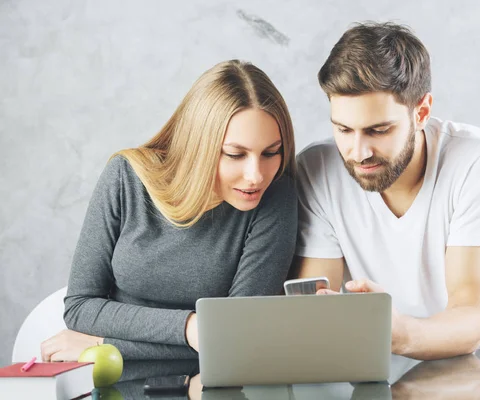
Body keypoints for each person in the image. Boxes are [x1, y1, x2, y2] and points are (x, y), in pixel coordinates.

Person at [292, 22, 480, 360]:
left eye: (379, 130)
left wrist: (397, 333)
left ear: (421, 112)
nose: (358, 152)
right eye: (343, 129)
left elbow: (471, 318)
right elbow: (315, 308)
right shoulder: (317, 171)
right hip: (377, 376)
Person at [41, 60, 298, 361]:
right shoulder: (126, 176)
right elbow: (80, 306)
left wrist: (104, 346)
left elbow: (234, 337)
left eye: (271, 152)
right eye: (234, 154)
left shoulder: (276, 197)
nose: (256, 175)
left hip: (202, 383)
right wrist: (190, 327)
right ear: (199, 144)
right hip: (114, 381)